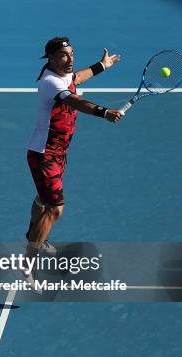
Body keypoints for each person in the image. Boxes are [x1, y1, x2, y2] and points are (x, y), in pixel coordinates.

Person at [24, 37, 122, 286]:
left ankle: (34, 236)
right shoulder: (50, 82)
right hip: (45, 155)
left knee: (42, 199)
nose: (70, 60)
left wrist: (101, 66)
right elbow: (74, 100)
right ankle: (28, 263)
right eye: (64, 56)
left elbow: (76, 78)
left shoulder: (60, 73)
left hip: (57, 153)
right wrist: (104, 112)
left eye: (71, 54)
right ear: (51, 59)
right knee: (55, 209)